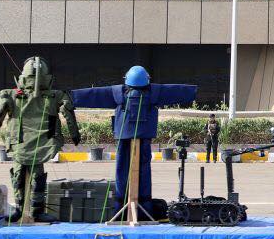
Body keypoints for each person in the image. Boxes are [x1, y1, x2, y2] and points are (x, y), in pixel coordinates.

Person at [71, 66, 197, 218]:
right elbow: (176, 91)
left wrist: (71, 96)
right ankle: (144, 209)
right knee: (144, 172)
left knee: (121, 171)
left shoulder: (117, 92)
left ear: (127, 80)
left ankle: (121, 209)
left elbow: (94, 95)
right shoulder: (154, 92)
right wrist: (193, 92)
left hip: (123, 137)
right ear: (147, 80)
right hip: (144, 137)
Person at [0, 57, 80, 222]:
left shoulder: (8, 94)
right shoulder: (56, 95)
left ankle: (19, 209)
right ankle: (36, 211)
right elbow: (68, 112)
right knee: (37, 176)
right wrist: (75, 135)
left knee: (18, 175)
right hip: (42, 144)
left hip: (20, 144)